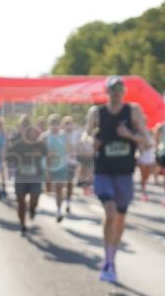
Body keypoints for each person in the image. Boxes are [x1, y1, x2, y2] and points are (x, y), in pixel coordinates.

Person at [85, 75, 151, 283]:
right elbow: (84, 137)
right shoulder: (96, 113)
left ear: (124, 92)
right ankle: (108, 261)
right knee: (110, 211)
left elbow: (147, 142)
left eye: (119, 89)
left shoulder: (133, 111)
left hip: (125, 172)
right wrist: (91, 141)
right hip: (103, 170)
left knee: (120, 217)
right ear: (107, 92)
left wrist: (129, 135)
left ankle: (112, 257)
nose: (116, 92)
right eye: (113, 89)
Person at [6, 117, 47, 234]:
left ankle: (33, 208)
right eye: (24, 128)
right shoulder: (17, 143)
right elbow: (8, 157)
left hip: (36, 176)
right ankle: (23, 224)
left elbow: (48, 155)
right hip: (21, 177)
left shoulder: (39, 143)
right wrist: (12, 158)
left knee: (35, 197)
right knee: (21, 202)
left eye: (30, 129)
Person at [41, 114, 70, 222]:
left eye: (56, 124)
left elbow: (68, 149)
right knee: (48, 189)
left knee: (59, 188)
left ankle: (58, 211)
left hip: (60, 166)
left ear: (59, 125)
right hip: (47, 167)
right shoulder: (45, 137)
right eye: (52, 124)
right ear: (49, 125)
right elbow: (40, 151)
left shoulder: (64, 136)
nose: (54, 126)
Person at [62, 116, 80, 213]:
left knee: (69, 183)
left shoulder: (76, 135)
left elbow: (78, 147)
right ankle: (60, 201)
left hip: (72, 163)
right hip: (61, 163)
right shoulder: (60, 135)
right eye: (66, 124)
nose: (68, 126)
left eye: (70, 124)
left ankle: (68, 202)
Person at [136, 128, 156, 201]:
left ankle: (144, 189)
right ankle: (143, 192)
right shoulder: (139, 136)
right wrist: (146, 145)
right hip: (142, 158)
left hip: (150, 158)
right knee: (143, 176)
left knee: (147, 176)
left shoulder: (151, 134)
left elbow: (154, 145)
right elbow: (140, 148)